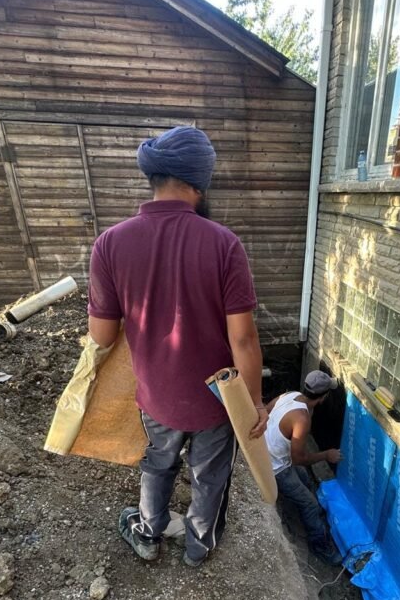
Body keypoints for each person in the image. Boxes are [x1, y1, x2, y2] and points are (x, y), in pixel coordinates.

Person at [87, 126, 267, 569]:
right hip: (215, 400)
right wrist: (255, 403)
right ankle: (198, 546)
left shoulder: (109, 244)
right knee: (210, 476)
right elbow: (242, 337)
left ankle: (148, 532)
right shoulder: (224, 243)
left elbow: (103, 336)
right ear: (198, 181)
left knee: (158, 463)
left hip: (156, 395)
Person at [266, 371, 342, 564]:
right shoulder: (302, 419)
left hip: (267, 455)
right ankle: (320, 546)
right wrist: (326, 455)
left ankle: (312, 516)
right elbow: (298, 458)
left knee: (305, 479)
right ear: (323, 397)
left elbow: (265, 410)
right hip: (276, 467)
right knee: (309, 503)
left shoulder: (289, 395)